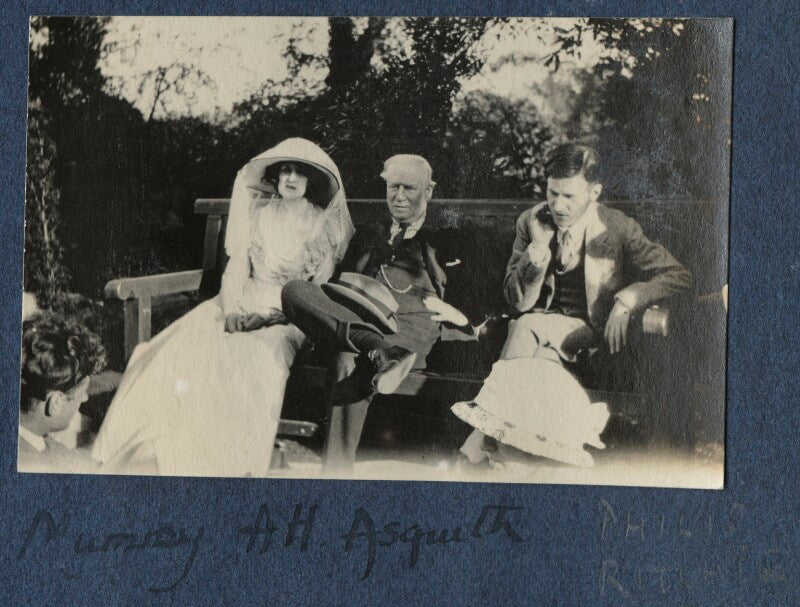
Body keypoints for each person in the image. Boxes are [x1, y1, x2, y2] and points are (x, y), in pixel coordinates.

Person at [91, 138, 355, 477]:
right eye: (285, 170)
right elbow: (236, 268)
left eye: (299, 173)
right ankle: (164, 451)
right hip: (240, 298)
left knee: (254, 360)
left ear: (310, 180)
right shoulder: (259, 215)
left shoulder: (323, 225)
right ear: (274, 176)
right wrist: (231, 311)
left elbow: (316, 290)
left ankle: (230, 463)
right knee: (176, 347)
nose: (291, 178)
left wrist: (271, 317)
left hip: (290, 312)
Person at [459, 142, 692, 465]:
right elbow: (517, 301)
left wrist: (627, 300)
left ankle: (481, 448)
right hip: (540, 331)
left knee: (525, 329)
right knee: (531, 343)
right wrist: (537, 254)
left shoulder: (618, 227)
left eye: (569, 196)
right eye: (552, 193)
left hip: (591, 332)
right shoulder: (531, 221)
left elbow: (677, 275)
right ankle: (523, 460)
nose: (557, 205)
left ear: (594, 192)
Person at [281, 154, 483, 470]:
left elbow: (477, 299)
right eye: (393, 187)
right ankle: (380, 350)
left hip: (412, 324)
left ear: (429, 190)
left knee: (348, 361)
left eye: (409, 189)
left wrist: (457, 314)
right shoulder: (368, 234)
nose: (399, 197)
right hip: (360, 319)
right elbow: (339, 285)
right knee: (294, 291)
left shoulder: (448, 237)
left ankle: (333, 475)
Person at [19, 311, 105, 473]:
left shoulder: (32, 435)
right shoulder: (33, 467)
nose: (85, 398)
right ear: (56, 403)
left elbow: (54, 450)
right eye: (82, 392)